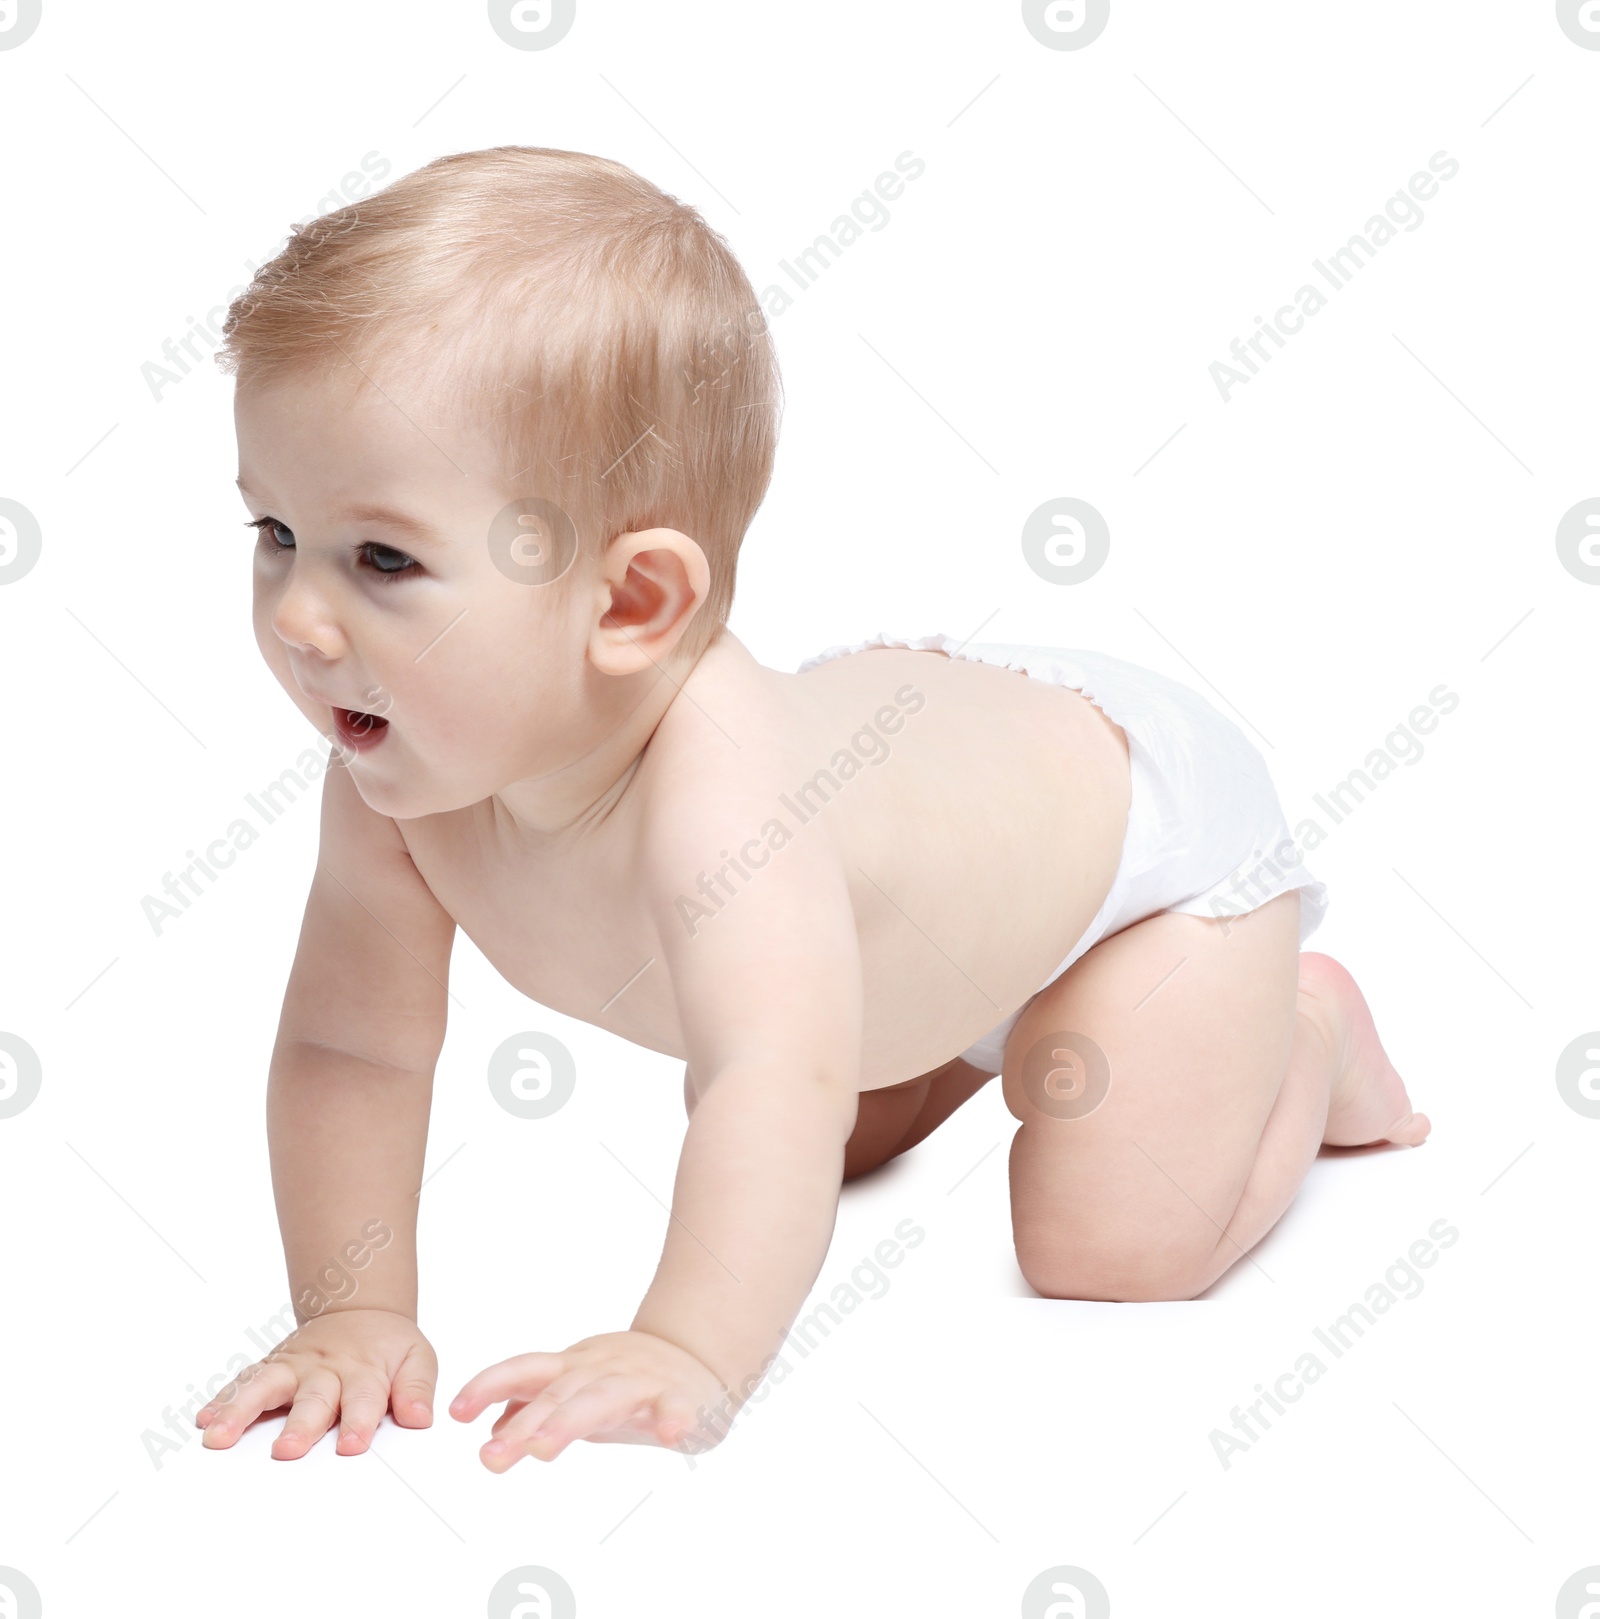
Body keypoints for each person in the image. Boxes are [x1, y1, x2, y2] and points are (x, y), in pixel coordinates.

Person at [196, 145, 1429, 1473]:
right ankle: (984, 1032)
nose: (300, 620)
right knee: (811, 1133)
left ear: (630, 606)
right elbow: (352, 1051)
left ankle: (1299, 1026)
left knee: (1104, 1244)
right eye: (276, 534)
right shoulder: (401, 768)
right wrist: (353, 1317)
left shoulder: (728, 798)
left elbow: (767, 1078)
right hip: (936, 825)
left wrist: (686, 1346)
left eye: (382, 559)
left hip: (1141, 861)